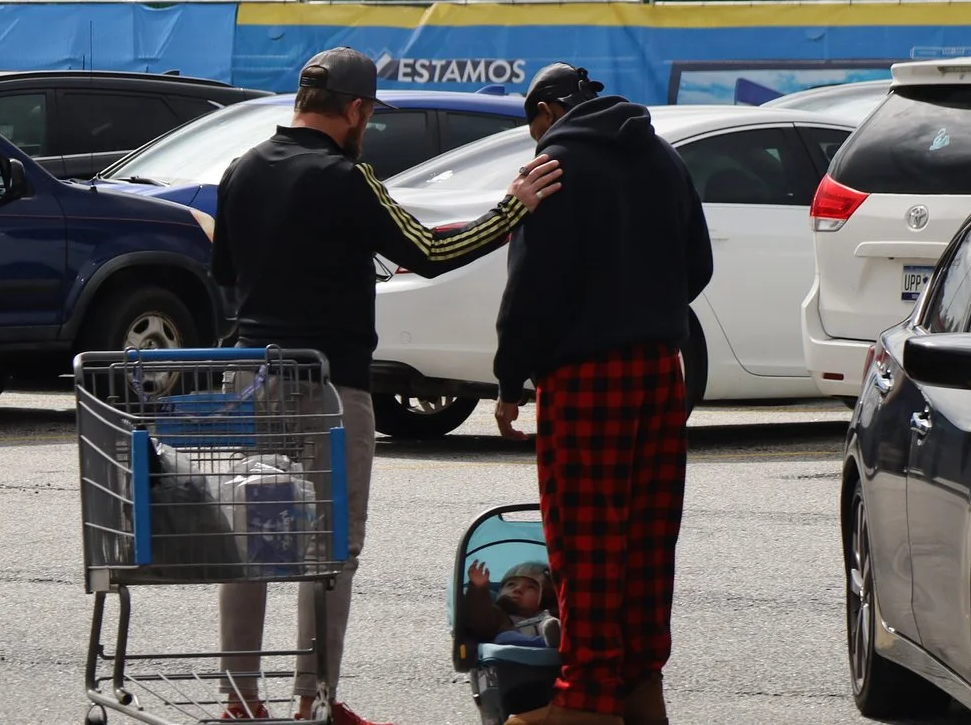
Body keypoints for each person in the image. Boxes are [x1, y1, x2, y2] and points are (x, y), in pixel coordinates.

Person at [212, 47, 564, 724]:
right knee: (332, 546)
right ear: (353, 109)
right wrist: (512, 207)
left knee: (249, 539)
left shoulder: (240, 170)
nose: (366, 124)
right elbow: (431, 251)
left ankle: (239, 699)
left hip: (248, 375)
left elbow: (224, 269)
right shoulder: (348, 177)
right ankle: (313, 699)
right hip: (330, 382)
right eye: (367, 112)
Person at [492, 63, 711, 725]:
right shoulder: (662, 156)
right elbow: (698, 261)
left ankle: (586, 699)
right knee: (647, 534)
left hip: (584, 374)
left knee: (585, 535)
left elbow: (530, 286)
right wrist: (646, 305)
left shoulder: (555, 166)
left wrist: (509, 381)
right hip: (659, 369)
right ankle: (641, 686)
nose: (534, 139)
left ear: (549, 110)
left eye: (534, 124)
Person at [461, 560, 561, 649]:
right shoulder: (497, 613)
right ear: (500, 592)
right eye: (511, 584)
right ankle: (546, 643)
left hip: (543, 631)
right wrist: (479, 588)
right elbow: (479, 617)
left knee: (549, 623)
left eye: (530, 587)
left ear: (544, 596)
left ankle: (554, 636)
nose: (518, 589)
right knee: (504, 637)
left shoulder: (546, 614)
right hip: (509, 655)